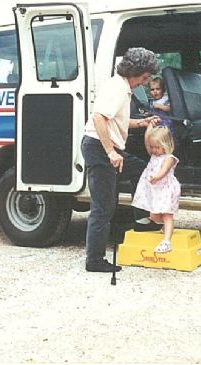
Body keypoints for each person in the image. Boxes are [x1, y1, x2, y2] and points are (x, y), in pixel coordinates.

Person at [81, 47, 162, 273]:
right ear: (134, 71)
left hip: (107, 147)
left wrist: (141, 123)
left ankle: (141, 220)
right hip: (100, 148)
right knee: (103, 208)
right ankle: (94, 261)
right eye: (145, 77)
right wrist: (111, 153)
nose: (145, 82)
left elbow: (115, 121)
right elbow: (99, 118)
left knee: (141, 171)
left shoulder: (123, 88)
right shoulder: (117, 88)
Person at [132, 125, 181, 253]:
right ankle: (166, 227)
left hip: (166, 189)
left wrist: (156, 177)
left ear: (166, 145)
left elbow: (164, 170)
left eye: (157, 147)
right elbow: (147, 141)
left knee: (167, 214)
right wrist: (149, 127)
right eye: (152, 147)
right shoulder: (154, 155)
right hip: (156, 190)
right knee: (153, 215)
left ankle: (166, 241)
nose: (153, 150)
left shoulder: (169, 158)